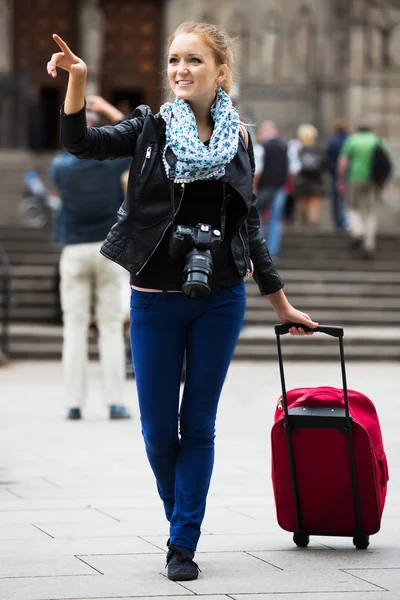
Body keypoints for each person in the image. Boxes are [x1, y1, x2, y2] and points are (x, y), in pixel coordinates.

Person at [47, 21, 318, 581]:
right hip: (154, 299)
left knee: (198, 424)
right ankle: (182, 520)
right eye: (174, 60)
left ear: (221, 71)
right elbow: (80, 144)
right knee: (155, 429)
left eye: (194, 60)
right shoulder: (150, 128)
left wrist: (280, 303)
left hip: (220, 299)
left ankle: (183, 540)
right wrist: (77, 81)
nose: (180, 70)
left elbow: (251, 230)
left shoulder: (239, 140)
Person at [50, 104, 132, 421]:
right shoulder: (111, 165)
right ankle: (114, 401)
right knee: (111, 328)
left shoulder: (60, 167)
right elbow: (134, 131)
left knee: (74, 329)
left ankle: (73, 402)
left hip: (73, 248)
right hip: (108, 249)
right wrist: (110, 111)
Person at [337, 120, 391, 260]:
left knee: (353, 208)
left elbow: (343, 162)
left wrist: (341, 179)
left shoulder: (352, 140)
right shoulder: (377, 141)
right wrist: (384, 181)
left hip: (355, 177)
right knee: (370, 212)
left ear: (358, 129)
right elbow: (385, 161)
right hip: (373, 180)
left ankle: (357, 232)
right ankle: (369, 244)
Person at [253, 121, 288, 257]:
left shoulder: (261, 147)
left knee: (257, 217)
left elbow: (258, 170)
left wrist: (253, 186)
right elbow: (292, 168)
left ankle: (259, 249)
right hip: (280, 187)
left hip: (263, 187)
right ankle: (273, 249)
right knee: (275, 218)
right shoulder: (285, 146)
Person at [294, 124, 327, 226]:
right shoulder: (318, 149)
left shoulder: (298, 149)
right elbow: (323, 164)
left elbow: (294, 166)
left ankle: (303, 221)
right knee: (314, 201)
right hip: (315, 178)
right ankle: (312, 222)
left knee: (302, 200)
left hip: (302, 178)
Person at [325, 118, 349, 232]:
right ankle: (345, 221)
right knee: (347, 199)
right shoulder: (349, 140)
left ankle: (338, 224)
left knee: (336, 200)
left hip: (335, 174)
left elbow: (327, 158)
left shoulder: (332, 141)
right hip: (349, 174)